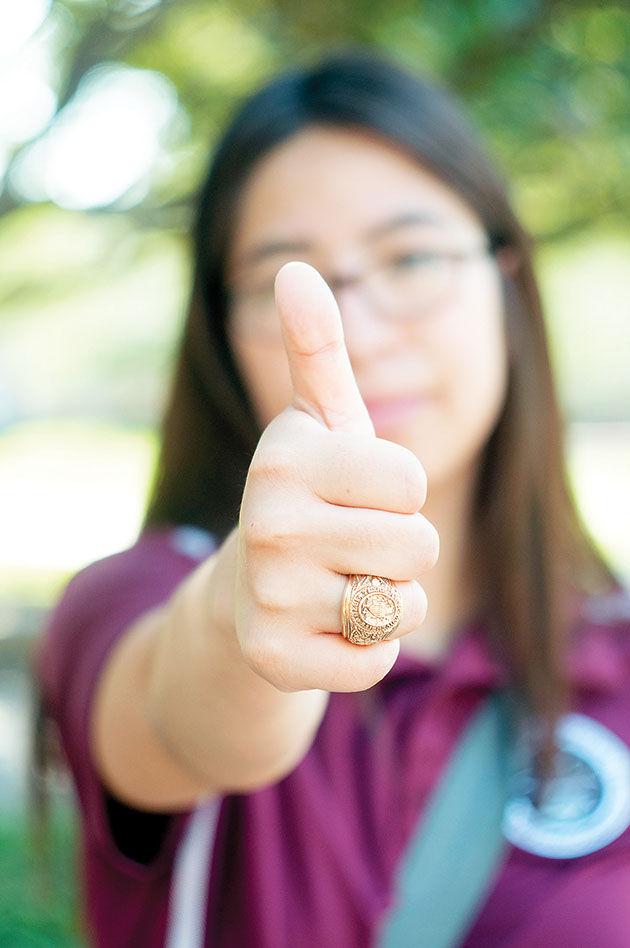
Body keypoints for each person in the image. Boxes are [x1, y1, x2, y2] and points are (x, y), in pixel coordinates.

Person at [36, 45, 630, 947]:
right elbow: (182, 710)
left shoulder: (613, 650)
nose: (357, 329)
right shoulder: (125, 603)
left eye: (413, 258)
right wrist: (243, 613)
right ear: (224, 334)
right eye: (285, 283)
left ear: (507, 279)